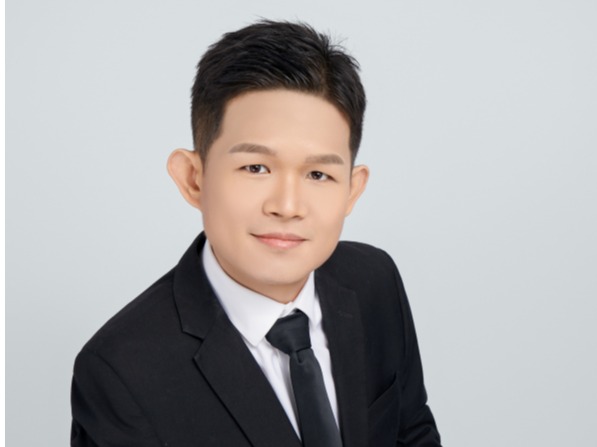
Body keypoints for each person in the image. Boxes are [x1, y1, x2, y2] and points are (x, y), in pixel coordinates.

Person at [70, 20, 442, 447]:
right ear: (193, 179)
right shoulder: (121, 371)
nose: (287, 206)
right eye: (256, 167)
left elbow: (411, 431)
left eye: (318, 174)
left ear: (352, 191)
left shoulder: (374, 279)